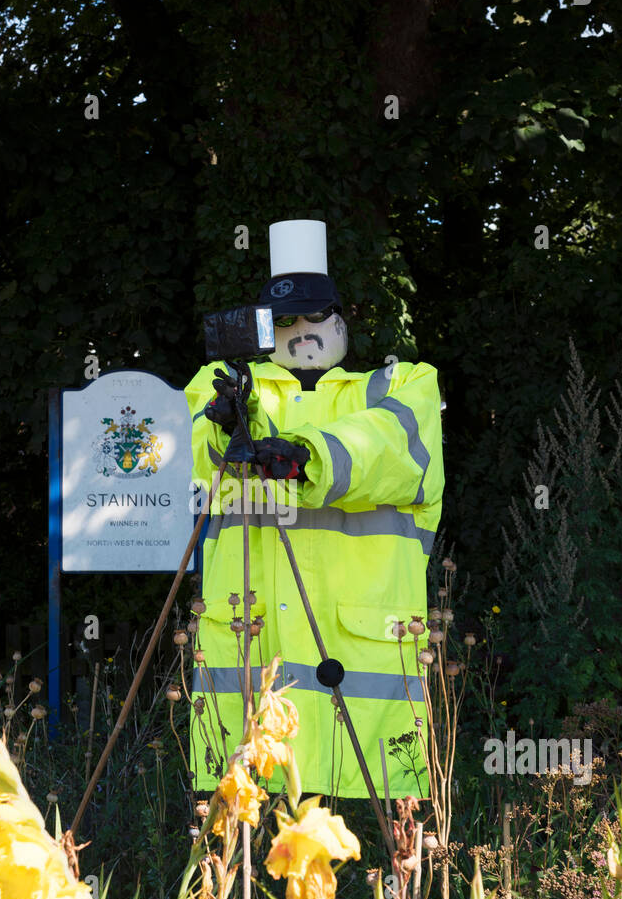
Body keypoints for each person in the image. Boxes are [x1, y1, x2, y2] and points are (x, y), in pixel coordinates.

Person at [184, 220, 444, 801]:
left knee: (383, 865)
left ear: (342, 317)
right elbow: (206, 467)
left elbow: (391, 451)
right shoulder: (221, 386)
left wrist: (304, 456)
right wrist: (232, 425)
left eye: (314, 314)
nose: (300, 330)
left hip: (360, 679)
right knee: (247, 860)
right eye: (283, 320)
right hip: (252, 654)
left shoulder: (402, 385)